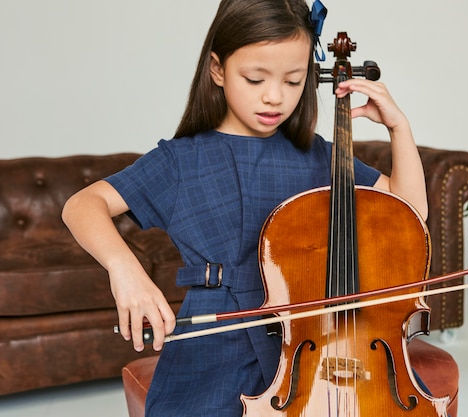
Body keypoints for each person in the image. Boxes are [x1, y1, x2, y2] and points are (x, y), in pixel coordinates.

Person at [62, 0, 428, 415]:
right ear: (217, 69)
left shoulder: (318, 156)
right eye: (255, 79)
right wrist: (126, 270)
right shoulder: (181, 160)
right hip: (214, 352)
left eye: (294, 81)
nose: (275, 97)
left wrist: (400, 128)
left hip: (312, 353)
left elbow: (410, 214)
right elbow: (82, 205)